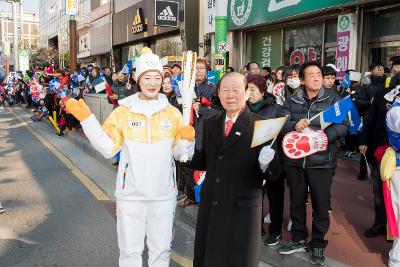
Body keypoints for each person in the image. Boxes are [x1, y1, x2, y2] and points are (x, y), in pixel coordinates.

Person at [66, 48, 195, 267]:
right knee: (130, 252)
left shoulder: (172, 113)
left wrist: (187, 141)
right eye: (147, 77)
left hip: (163, 195)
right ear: (137, 78)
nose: (153, 82)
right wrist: (87, 119)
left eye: (157, 77)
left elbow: (181, 155)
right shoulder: (123, 112)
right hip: (131, 195)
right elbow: (108, 149)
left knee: (161, 251)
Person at [190, 72, 279, 267]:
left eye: (236, 90)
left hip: (242, 209)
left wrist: (265, 163)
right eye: (225, 90)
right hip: (212, 202)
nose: (230, 95)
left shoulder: (260, 126)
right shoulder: (211, 122)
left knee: (237, 259)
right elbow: (202, 162)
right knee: (209, 258)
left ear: (247, 93)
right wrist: (188, 150)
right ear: (219, 94)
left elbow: (275, 172)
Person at [278, 62, 347, 266]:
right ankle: (299, 238)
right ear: (302, 79)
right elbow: (282, 121)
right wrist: (293, 125)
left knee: (320, 203)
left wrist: (325, 136)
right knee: (297, 201)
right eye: (311, 75)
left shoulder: (333, 99)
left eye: (319, 75)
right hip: (296, 160)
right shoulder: (292, 100)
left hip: (322, 161)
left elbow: (343, 124)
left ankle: (317, 242)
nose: (316, 78)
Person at [246, 74, 284, 245]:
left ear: (262, 91)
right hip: (250, 159)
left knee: (275, 197)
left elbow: (285, 125)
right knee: (254, 196)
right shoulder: (242, 109)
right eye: (246, 89)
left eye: (252, 89)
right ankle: (256, 227)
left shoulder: (275, 108)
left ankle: (275, 231)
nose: (249, 93)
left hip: (272, 159)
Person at [178, 58, 216, 207]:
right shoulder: (184, 87)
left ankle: (205, 196)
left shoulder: (213, 88)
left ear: (207, 71)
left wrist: (202, 109)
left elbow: (218, 111)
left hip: (206, 131)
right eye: (196, 68)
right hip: (187, 130)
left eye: (202, 68)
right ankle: (191, 195)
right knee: (186, 164)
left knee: (204, 165)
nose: (199, 71)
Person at [359, 63, 389, 238]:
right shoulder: (381, 94)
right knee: (378, 189)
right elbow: (370, 119)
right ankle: (380, 223)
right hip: (379, 149)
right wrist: (363, 141)